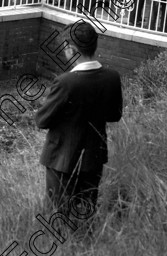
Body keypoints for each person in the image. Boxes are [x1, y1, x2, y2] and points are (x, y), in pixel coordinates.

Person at [35, 21, 123, 224]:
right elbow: (114, 115)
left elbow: (42, 120)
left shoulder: (65, 82)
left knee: (58, 214)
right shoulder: (112, 77)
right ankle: (85, 243)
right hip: (94, 157)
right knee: (86, 212)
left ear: (71, 49)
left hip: (61, 159)